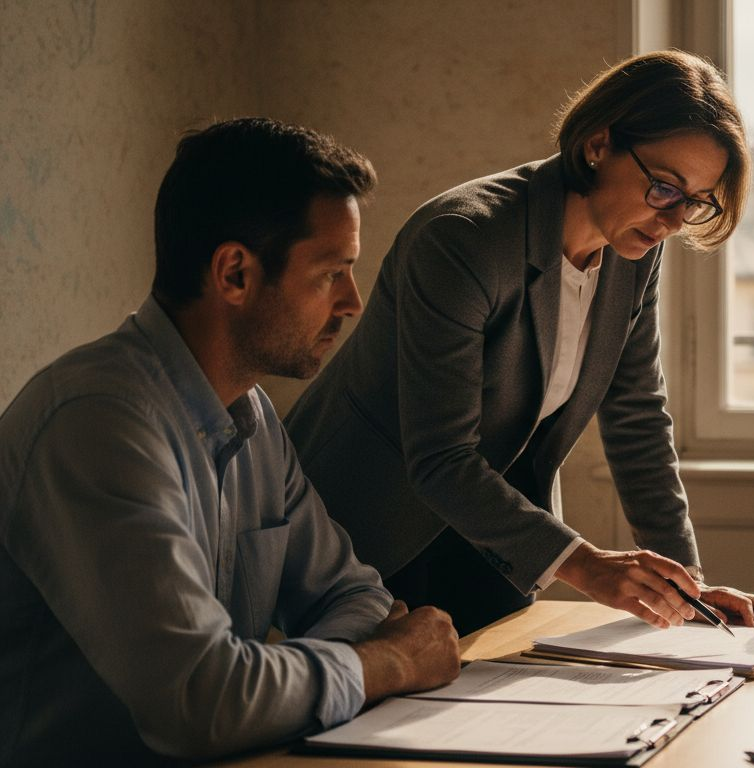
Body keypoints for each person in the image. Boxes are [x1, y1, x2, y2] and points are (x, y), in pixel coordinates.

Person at [0, 118, 460, 766]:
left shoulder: (252, 415)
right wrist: (385, 665)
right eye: (331, 273)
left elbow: (354, 599)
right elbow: (200, 703)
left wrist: (264, 688)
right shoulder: (96, 425)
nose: (352, 301)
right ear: (235, 274)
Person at [285, 51, 754, 636]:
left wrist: (686, 589)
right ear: (598, 145)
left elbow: (637, 417)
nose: (673, 221)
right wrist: (589, 566)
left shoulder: (635, 249)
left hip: (495, 533)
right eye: (665, 188)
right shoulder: (462, 239)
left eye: (695, 201)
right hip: (369, 525)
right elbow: (441, 457)